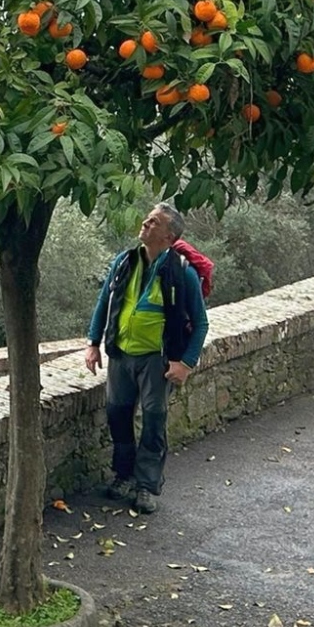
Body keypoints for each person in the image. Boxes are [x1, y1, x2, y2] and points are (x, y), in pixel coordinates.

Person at [85, 203, 209, 515]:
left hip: (157, 360)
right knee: (117, 413)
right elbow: (105, 301)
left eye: (153, 222)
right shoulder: (125, 261)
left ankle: (146, 487)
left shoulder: (183, 273)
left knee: (154, 418)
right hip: (121, 354)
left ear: (168, 237)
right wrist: (93, 342)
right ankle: (123, 476)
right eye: (148, 219)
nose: (145, 223)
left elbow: (201, 323)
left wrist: (186, 363)